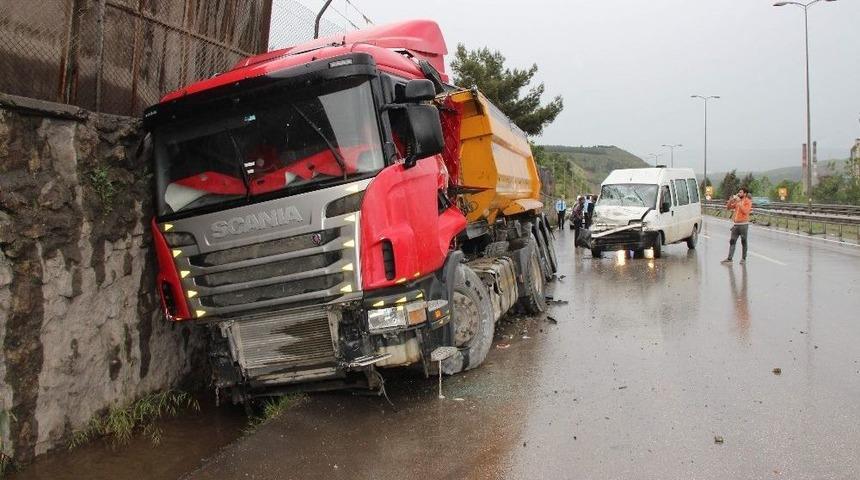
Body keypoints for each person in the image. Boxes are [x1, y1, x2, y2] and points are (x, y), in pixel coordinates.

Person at [722, 187, 753, 265]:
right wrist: (730, 200)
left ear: (745, 194)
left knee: (744, 241)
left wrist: (739, 203)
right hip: (736, 225)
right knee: (732, 241)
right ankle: (729, 258)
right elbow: (728, 208)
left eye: (740, 192)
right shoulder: (737, 201)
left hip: (743, 225)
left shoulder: (747, 201)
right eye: (739, 192)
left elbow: (745, 211)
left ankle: (743, 258)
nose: (739, 194)